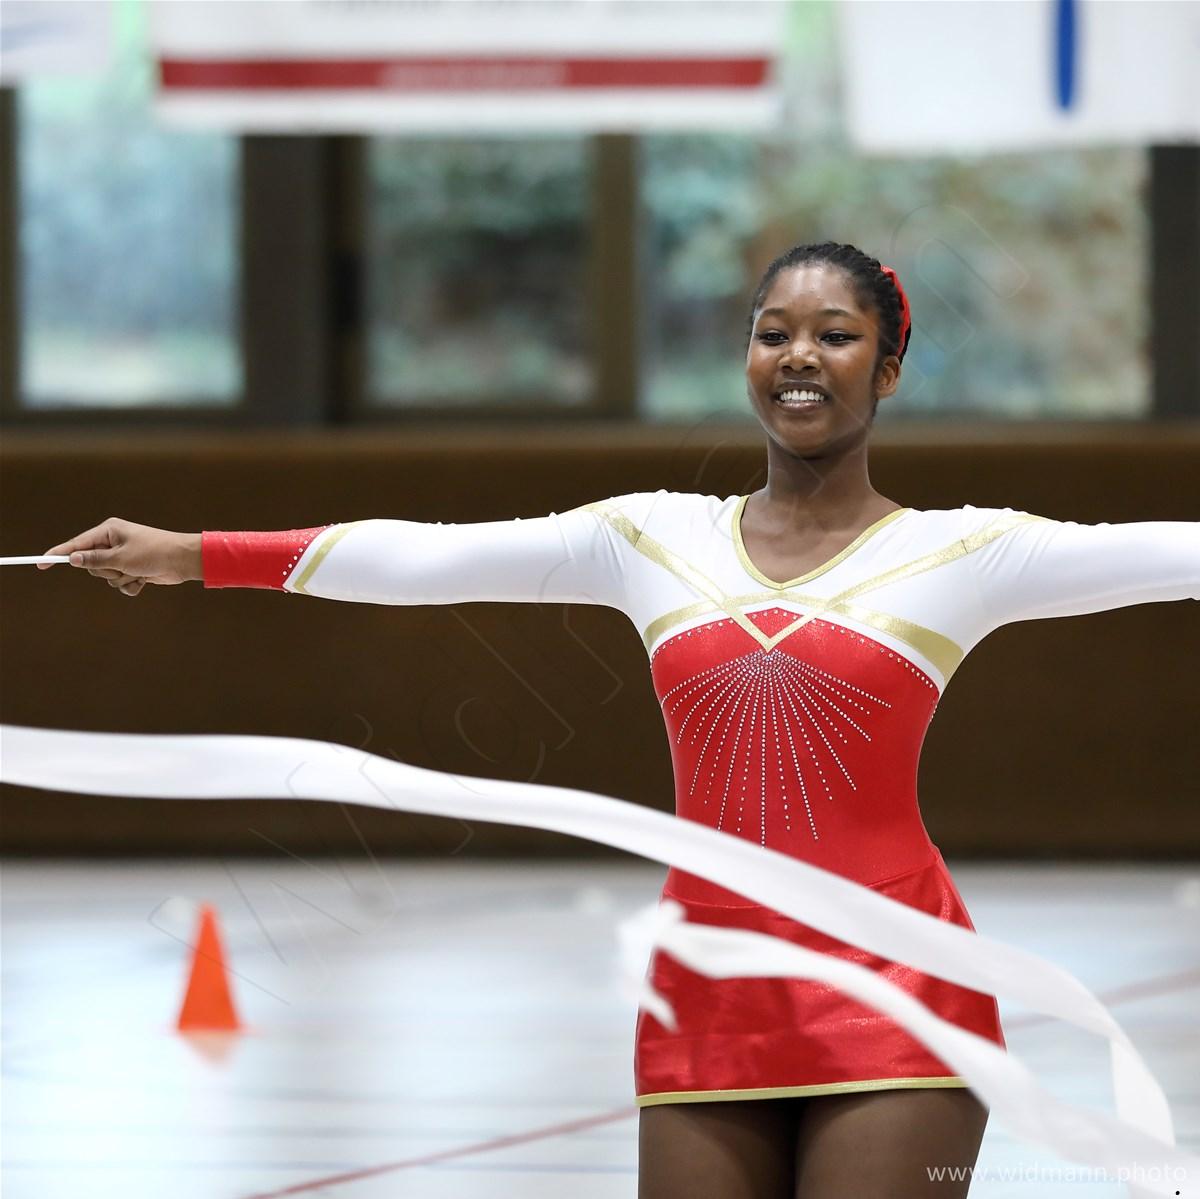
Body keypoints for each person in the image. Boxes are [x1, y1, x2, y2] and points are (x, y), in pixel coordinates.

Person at [40, 240, 1200, 1199]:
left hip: (902, 982)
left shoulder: (966, 550)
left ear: (888, 369)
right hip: (704, 979)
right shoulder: (651, 536)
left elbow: (1173, 554)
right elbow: (424, 558)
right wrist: (195, 554)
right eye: (773, 331)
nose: (800, 354)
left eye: (836, 334)